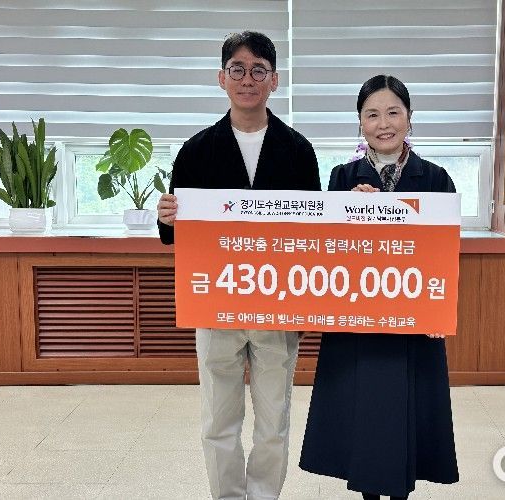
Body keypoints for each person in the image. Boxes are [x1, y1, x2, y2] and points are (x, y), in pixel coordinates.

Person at [157, 31, 320, 500]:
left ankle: (264, 495)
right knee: (218, 419)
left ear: (274, 80)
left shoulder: (297, 149)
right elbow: (177, 234)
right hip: (215, 304)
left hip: (277, 304)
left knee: (273, 420)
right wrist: (167, 218)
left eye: (258, 70)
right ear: (222, 78)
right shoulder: (196, 150)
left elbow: (313, 230)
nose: (248, 79)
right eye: (238, 69)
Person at [299, 75, 459, 500]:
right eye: (372, 115)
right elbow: (324, 249)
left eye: (393, 113)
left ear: (409, 117)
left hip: (414, 321)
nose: (383, 124)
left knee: (406, 412)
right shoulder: (342, 177)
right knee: (364, 414)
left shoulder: (436, 178)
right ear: (360, 122)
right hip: (358, 320)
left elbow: (445, 252)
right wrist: (353, 212)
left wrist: (441, 308)